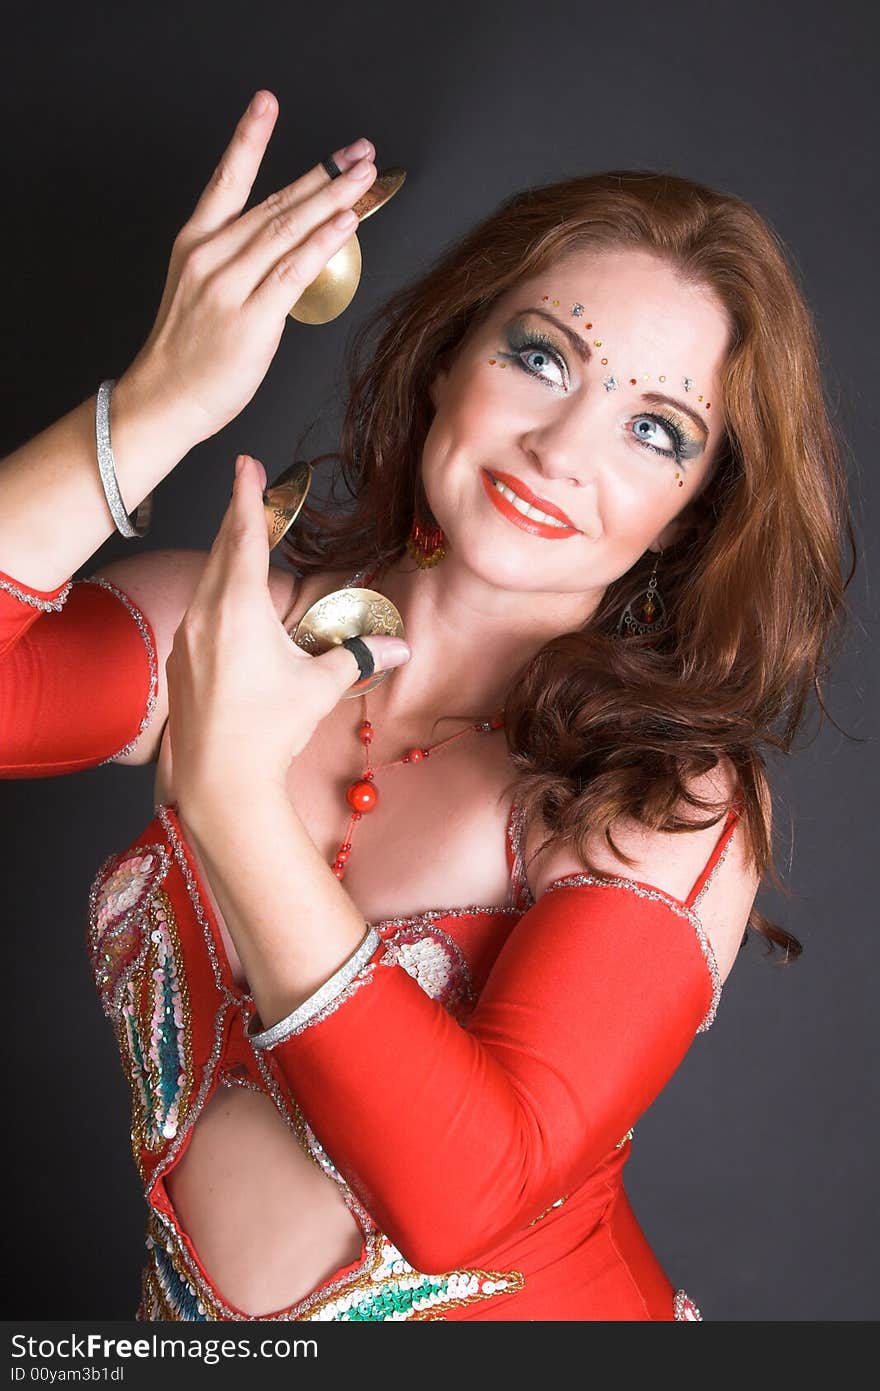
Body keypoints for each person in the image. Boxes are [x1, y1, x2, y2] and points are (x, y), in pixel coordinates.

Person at [0, 89, 855, 1322]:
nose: (565, 447)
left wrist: (232, 795)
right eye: (541, 355)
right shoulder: (226, 624)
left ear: (695, 513)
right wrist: (160, 404)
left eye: (655, 430)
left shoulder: (668, 798)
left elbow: (461, 1190)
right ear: (450, 354)